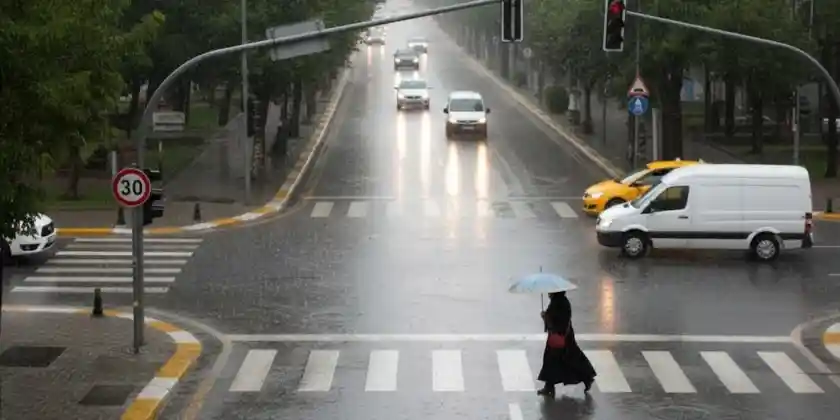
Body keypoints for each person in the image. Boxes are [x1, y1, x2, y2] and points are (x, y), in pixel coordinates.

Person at [537, 291, 597, 398]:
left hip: (561, 336)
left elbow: (557, 320)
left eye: (550, 292)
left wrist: (546, 317)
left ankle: (587, 377)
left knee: (569, 359)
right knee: (554, 360)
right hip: (559, 336)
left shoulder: (560, 303)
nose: (549, 293)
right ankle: (549, 386)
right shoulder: (559, 302)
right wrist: (546, 317)